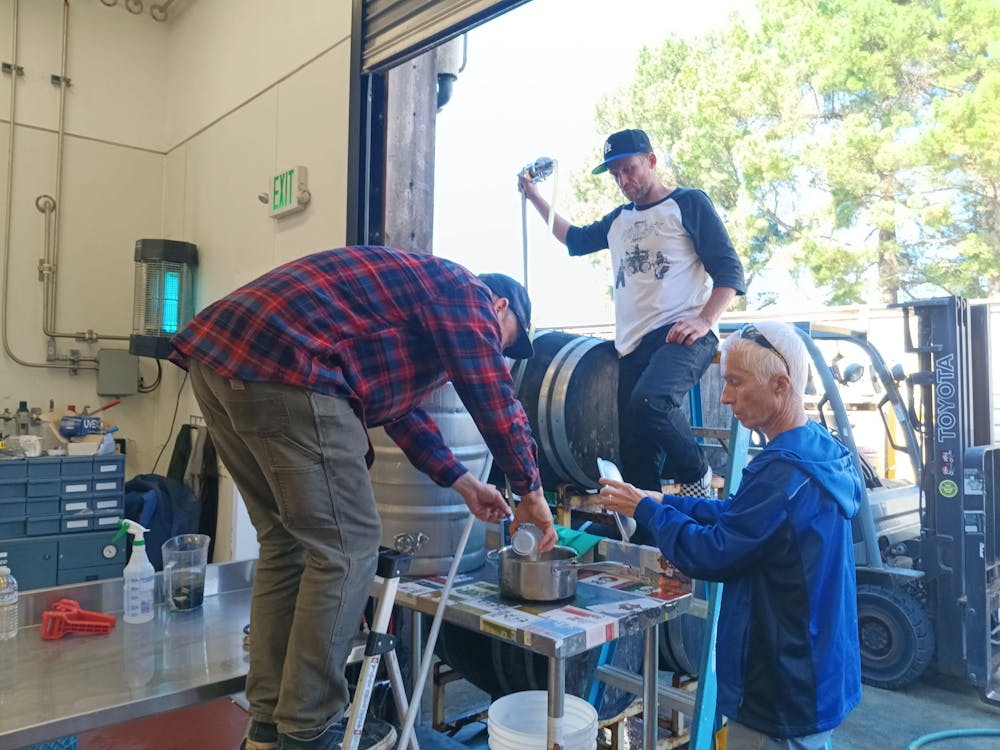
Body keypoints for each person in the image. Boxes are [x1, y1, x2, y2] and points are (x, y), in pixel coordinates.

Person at [168, 245, 556, 750]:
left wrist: (463, 482)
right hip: (287, 367)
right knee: (348, 550)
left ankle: (267, 727)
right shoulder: (468, 294)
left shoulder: (411, 315)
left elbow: (400, 412)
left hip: (222, 361)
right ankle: (310, 731)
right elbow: (491, 392)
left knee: (287, 546)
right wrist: (530, 488)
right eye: (507, 341)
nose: (501, 352)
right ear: (500, 308)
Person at [599, 321, 862, 750]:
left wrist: (648, 512)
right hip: (815, 671)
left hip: (780, 688)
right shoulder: (815, 451)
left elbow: (713, 553)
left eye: (735, 383)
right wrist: (665, 502)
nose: (724, 397)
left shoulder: (784, 474)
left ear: (780, 386)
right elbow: (742, 517)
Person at [518, 128, 746, 497]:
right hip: (631, 346)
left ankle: (696, 473)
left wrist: (704, 320)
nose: (623, 181)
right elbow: (573, 240)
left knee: (650, 401)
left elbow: (730, 272)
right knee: (635, 454)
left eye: (630, 169)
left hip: (682, 333)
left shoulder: (687, 204)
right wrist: (534, 197)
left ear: (651, 161)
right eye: (616, 175)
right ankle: (648, 544)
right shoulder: (618, 221)